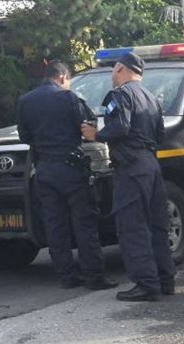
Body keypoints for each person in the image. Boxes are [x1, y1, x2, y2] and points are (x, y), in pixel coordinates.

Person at [81, 52, 175, 302]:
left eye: (113, 70)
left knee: (132, 227)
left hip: (132, 167)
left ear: (121, 68)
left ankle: (146, 284)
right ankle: (165, 279)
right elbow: (160, 135)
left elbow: (120, 126)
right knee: (157, 226)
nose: (112, 75)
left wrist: (96, 135)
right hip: (151, 165)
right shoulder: (151, 97)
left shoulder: (121, 95)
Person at [17, 61, 117, 290]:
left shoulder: (25, 100)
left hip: (44, 170)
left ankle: (67, 276)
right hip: (71, 168)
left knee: (55, 226)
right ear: (63, 77)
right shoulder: (68, 98)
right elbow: (87, 125)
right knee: (84, 223)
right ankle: (94, 276)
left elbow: (24, 136)